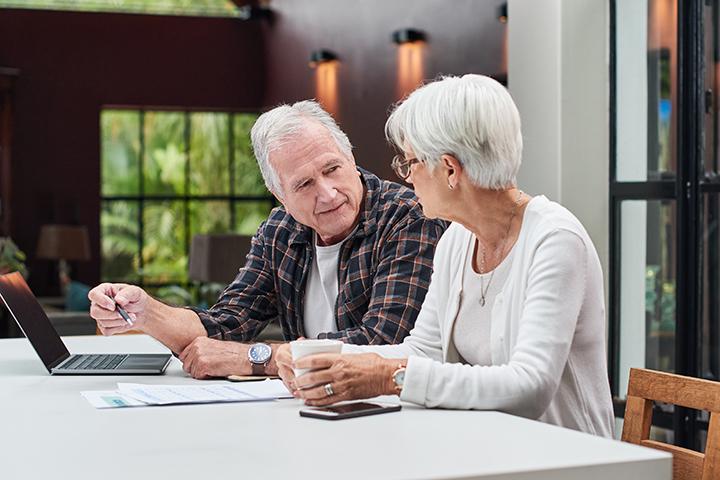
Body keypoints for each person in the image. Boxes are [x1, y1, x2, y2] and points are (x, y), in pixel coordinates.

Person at [277, 75, 614, 437]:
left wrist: (390, 377)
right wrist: (322, 357)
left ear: (450, 169)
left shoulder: (555, 239)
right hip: (496, 450)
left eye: (410, 163)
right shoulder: (457, 239)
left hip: (571, 458)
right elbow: (424, 350)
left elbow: (529, 386)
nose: (407, 179)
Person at [88, 101, 446, 380]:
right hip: (307, 410)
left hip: (388, 414)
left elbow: (381, 345)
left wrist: (256, 358)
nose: (327, 193)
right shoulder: (281, 230)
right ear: (279, 195)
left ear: (350, 158)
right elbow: (227, 324)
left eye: (332, 169)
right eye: (304, 185)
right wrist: (145, 313)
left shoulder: (409, 217)